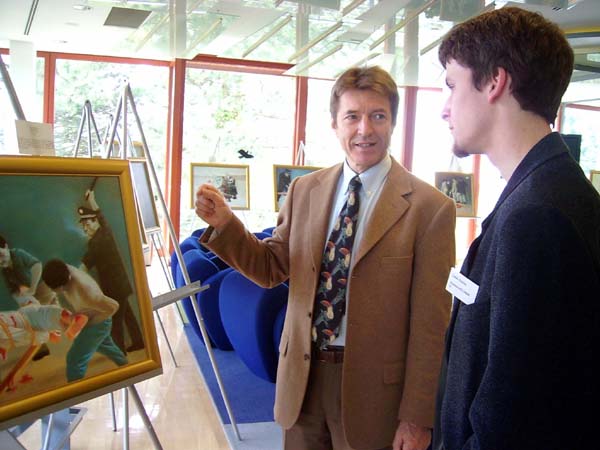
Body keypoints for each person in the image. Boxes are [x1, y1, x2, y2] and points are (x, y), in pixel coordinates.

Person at [195, 66, 456, 450]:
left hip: (375, 395)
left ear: (393, 123)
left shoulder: (430, 208)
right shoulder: (305, 190)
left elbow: (431, 325)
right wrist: (226, 225)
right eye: (352, 116)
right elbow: (271, 268)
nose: (365, 129)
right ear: (335, 124)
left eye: (378, 116)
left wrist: (417, 416)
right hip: (302, 380)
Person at [432, 7, 600, 450]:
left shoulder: (537, 216)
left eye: (452, 85)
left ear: (494, 82)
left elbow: (511, 419)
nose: (445, 109)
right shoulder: (543, 190)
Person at [78, 189, 144, 354]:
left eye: (87, 224)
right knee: (127, 314)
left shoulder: (100, 239)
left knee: (116, 319)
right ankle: (138, 341)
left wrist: (76, 278)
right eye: (83, 225)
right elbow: (102, 219)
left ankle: (120, 351)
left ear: (96, 222)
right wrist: (92, 201)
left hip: (115, 288)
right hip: (119, 285)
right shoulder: (101, 235)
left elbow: (85, 263)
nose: (85, 229)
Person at [42, 258, 128, 382]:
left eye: (54, 288)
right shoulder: (64, 269)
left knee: (74, 359)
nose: (52, 290)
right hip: (93, 318)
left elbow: (114, 306)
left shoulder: (87, 291)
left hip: (98, 322)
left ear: (64, 282)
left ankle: (75, 388)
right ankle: (126, 365)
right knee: (105, 346)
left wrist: (87, 323)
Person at [0, 234, 57, 360]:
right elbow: (13, 289)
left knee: (40, 319)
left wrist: (32, 288)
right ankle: (41, 347)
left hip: (41, 288)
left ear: (6, 247)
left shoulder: (18, 254)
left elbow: (37, 266)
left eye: (0, 255)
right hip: (29, 295)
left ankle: (44, 342)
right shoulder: (5, 270)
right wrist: (22, 298)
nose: (0, 260)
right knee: (29, 320)